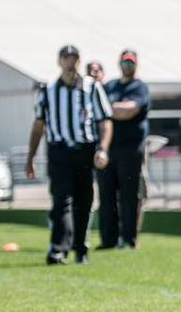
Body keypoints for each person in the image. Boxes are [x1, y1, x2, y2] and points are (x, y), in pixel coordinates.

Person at [25, 44, 112, 265]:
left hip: (85, 151)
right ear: (59, 62)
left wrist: (102, 149)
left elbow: (105, 121)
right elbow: (38, 125)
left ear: (79, 61)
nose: (70, 63)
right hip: (59, 151)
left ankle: (80, 249)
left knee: (84, 201)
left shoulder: (91, 88)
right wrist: (30, 157)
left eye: (74, 58)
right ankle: (58, 250)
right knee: (61, 200)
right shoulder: (48, 90)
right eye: (66, 58)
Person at [99, 49, 151, 249]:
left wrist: (107, 109)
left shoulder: (139, 87)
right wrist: (113, 109)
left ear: (136, 64)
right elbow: (99, 109)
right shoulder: (111, 86)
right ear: (119, 63)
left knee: (129, 197)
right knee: (106, 196)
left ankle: (128, 239)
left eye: (131, 62)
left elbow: (129, 110)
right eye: (125, 62)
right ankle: (108, 240)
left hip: (130, 150)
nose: (127, 66)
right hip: (108, 149)